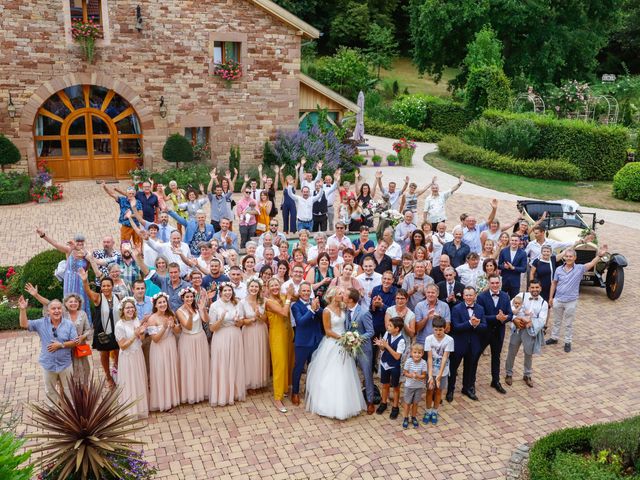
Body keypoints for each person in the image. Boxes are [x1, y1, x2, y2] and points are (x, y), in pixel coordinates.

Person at [305, 287, 366, 420]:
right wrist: (343, 338)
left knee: (345, 373)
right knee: (331, 373)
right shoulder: (326, 311)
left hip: (344, 344)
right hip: (333, 343)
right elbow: (327, 331)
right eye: (340, 293)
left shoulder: (343, 308)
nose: (342, 295)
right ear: (333, 296)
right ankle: (327, 405)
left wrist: (350, 337)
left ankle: (347, 404)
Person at [24, 286, 93, 386]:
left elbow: (88, 330)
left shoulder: (83, 314)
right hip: (65, 350)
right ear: (65, 304)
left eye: (75, 302)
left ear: (79, 303)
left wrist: (83, 337)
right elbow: (48, 304)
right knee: (66, 378)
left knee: (83, 372)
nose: (73, 303)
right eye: (70, 301)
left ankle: (83, 397)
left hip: (80, 347)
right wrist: (36, 295)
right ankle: (65, 399)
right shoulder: (63, 313)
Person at [546, 245, 608, 353]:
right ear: (564, 257)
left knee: (568, 323)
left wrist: (599, 255)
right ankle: (554, 338)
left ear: (575, 258)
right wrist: (551, 297)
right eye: (567, 256)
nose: (569, 258)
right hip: (558, 299)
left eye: (571, 256)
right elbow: (554, 283)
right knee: (556, 321)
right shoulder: (559, 270)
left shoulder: (579, 269)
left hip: (571, 301)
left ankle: (567, 342)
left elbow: (592, 263)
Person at [18, 296, 77, 404]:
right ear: (48, 311)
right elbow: (24, 324)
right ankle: (53, 412)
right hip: (48, 364)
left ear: (62, 310)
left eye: (59, 308)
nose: (56, 311)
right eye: (53, 309)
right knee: (50, 391)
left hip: (65, 364)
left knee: (69, 390)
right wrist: (22, 309)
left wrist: (61, 345)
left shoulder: (69, 325)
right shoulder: (41, 323)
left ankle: (71, 413)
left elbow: (75, 342)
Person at [36, 229, 93, 321]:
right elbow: (56, 244)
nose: (80, 244)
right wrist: (44, 236)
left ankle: (83, 323)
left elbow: (89, 267)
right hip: (70, 281)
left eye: (82, 242)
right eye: (78, 242)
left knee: (82, 301)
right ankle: (68, 323)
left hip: (82, 281)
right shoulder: (69, 250)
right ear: (74, 242)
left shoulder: (86, 254)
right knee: (70, 301)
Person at [207, 283, 246, 406]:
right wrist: (221, 319)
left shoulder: (237, 304)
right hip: (221, 336)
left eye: (230, 290)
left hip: (235, 335)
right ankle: (222, 394)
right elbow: (212, 328)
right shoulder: (214, 305)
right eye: (226, 291)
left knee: (234, 362)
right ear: (221, 292)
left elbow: (241, 324)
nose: (228, 293)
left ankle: (234, 393)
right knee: (223, 363)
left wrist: (238, 321)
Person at [80, 270, 120, 389]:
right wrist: (84, 281)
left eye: (108, 285)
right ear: (101, 287)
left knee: (118, 351)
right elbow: (87, 291)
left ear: (112, 286)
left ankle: (117, 372)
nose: (106, 288)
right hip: (102, 330)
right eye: (104, 286)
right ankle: (108, 377)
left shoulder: (117, 297)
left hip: (116, 329)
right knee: (105, 354)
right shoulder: (98, 297)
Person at [505, 281, 548, 388]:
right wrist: (515, 319)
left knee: (528, 353)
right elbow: (509, 307)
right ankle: (508, 374)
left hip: (530, 331)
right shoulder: (520, 295)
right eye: (532, 287)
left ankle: (527, 375)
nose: (535, 289)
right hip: (517, 328)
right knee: (512, 352)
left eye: (537, 287)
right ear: (529, 288)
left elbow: (542, 320)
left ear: (540, 288)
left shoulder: (544, 303)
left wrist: (530, 322)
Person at [447, 287, 486, 403]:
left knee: (470, 368)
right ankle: (450, 390)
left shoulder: (480, 309)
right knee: (453, 369)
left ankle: (467, 388)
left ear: (475, 296)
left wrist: (476, 325)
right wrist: (469, 323)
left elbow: (484, 326)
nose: (469, 297)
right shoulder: (456, 308)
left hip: (473, 344)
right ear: (463, 296)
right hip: (459, 344)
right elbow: (456, 327)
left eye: (471, 295)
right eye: (467, 295)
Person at [476, 274, 513, 394]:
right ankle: (470, 383)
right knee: (475, 356)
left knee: (496, 357)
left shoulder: (505, 296)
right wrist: (496, 317)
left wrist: (505, 318)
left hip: (498, 332)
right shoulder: (481, 297)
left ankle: (495, 381)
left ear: (500, 283)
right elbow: (481, 317)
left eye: (497, 283)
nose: (495, 285)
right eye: (492, 283)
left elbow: (510, 314)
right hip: (485, 332)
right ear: (489, 283)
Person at [114, 298, 149, 419]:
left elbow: (142, 339)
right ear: (122, 310)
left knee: (139, 379)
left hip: (137, 354)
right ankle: (131, 410)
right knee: (130, 381)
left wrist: (142, 332)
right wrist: (135, 335)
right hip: (127, 357)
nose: (130, 309)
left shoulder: (136, 320)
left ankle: (141, 407)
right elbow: (122, 346)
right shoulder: (119, 325)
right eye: (127, 308)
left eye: (132, 307)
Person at [146, 292, 181, 412]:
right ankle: (163, 403)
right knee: (161, 373)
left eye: (164, 302)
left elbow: (177, 332)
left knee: (171, 371)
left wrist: (173, 326)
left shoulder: (171, 314)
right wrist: (165, 327)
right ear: (155, 305)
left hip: (170, 346)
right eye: (159, 302)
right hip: (159, 349)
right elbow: (155, 339)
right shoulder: (152, 319)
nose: (162, 304)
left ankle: (172, 399)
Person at [344, 288, 376, 415]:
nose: (343, 297)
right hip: (350, 349)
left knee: (367, 375)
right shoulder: (346, 310)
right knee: (351, 374)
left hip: (363, 349)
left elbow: (370, 332)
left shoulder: (363, 313)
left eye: (345, 295)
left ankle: (370, 401)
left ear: (351, 299)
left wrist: (357, 339)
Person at [290, 283, 323, 406]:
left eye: (308, 290)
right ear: (299, 292)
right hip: (302, 342)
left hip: (316, 340)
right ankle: (295, 392)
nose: (305, 293)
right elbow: (300, 322)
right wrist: (312, 309)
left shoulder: (314, 302)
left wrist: (318, 308)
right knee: (299, 368)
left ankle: (311, 390)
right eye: (303, 290)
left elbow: (324, 315)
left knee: (313, 367)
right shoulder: (295, 306)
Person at [176, 288, 211, 404]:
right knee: (190, 367)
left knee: (201, 365)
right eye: (187, 297)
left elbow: (206, 320)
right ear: (183, 298)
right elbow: (188, 327)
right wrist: (190, 315)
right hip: (188, 340)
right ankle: (190, 394)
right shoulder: (179, 311)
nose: (189, 299)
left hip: (200, 338)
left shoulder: (197, 308)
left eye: (191, 297)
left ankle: (202, 392)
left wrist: (203, 310)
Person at [265, 278, 294, 412]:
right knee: (279, 364)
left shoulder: (282, 296)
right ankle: (277, 398)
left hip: (288, 332)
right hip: (276, 335)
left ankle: (284, 389)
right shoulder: (269, 302)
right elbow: (283, 312)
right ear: (268, 287)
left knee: (288, 362)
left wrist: (290, 293)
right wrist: (288, 297)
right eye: (272, 286)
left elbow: (296, 296)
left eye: (277, 285)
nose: (275, 288)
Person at [239, 279, 270, 393]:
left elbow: (266, 319)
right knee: (250, 356)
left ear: (259, 289)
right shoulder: (242, 302)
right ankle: (250, 383)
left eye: (256, 287)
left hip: (261, 330)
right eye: (252, 286)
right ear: (248, 288)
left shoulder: (264, 301)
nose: (254, 289)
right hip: (249, 331)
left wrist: (260, 316)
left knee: (261, 355)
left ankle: (261, 381)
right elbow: (241, 321)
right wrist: (253, 318)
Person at [423, 316, 454, 425]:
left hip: (443, 370)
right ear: (432, 329)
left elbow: (445, 358)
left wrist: (439, 376)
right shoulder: (428, 339)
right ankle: (428, 410)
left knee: (438, 391)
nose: (438, 332)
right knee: (430, 390)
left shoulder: (449, 340)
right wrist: (431, 376)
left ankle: (435, 411)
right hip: (431, 369)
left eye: (440, 329)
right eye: (436, 329)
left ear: (444, 328)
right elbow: (430, 358)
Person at [374, 316, 406, 420]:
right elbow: (383, 347)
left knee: (396, 387)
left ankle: (395, 407)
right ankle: (383, 403)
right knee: (384, 385)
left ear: (397, 329)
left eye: (390, 325)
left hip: (394, 366)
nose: (388, 327)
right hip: (384, 364)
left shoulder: (401, 340)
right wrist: (380, 345)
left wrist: (387, 346)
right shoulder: (387, 334)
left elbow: (397, 356)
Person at [401, 343, 428, 429]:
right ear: (411, 353)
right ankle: (405, 417)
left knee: (415, 403)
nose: (417, 354)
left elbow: (424, 375)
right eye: (415, 352)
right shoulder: (409, 361)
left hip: (418, 387)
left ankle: (413, 417)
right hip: (409, 386)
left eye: (419, 353)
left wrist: (418, 376)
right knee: (407, 402)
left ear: (422, 354)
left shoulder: (423, 363)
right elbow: (405, 372)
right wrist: (412, 375)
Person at [370, 271, 397, 341]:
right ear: (381, 279)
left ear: (392, 280)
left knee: (387, 347)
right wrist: (374, 304)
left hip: (389, 324)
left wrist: (382, 305)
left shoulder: (396, 291)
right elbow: (371, 309)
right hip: (375, 323)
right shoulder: (375, 289)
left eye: (389, 279)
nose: (386, 281)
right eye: (384, 279)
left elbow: (393, 311)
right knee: (373, 347)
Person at [498, 234, 528, 298]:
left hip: (515, 282)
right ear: (510, 241)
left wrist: (513, 268)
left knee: (514, 300)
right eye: (512, 240)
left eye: (516, 241)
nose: (514, 242)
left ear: (519, 242)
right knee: (502, 299)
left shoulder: (523, 253)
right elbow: (499, 265)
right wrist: (504, 266)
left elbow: (524, 269)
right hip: (504, 281)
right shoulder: (503, 251)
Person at [279, 164, 299, 233]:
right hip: (285, 204)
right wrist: (281, 170)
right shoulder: (284, 186)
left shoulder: (294, 186)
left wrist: (296, 170)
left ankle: (293, 231)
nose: (289, 179)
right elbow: (281, 178)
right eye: (288, 178)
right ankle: (286, 230)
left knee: (293, 216)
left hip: (292, 204)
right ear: (286, 180)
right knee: (285, 217)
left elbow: (297, 178)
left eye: (291, 178)